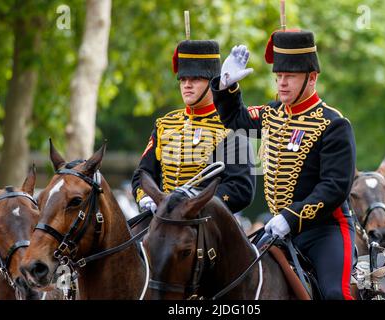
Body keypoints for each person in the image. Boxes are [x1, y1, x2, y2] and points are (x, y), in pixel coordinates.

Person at [210, 29, 356, 300]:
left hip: (324, 231)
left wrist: (291, 216)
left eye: (290, 76)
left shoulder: (333, 124)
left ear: (312, 78)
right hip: (277, 230)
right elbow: (236, 119)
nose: (282, 84)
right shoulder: (272, 113)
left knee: (336, 294)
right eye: (278, 77)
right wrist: (227, 86)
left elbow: (335, 187)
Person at [131, 38, 256, 218]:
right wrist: (146, 198)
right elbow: (143, 173)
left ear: (212, 82)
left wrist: (194, 202)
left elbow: (241, 188)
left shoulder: (231, 125)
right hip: (160, 219)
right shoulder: (165, 124)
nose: (187, 85)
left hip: (205, 222)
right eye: (183, 79)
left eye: (196, 78)